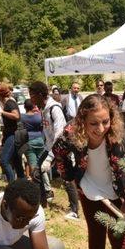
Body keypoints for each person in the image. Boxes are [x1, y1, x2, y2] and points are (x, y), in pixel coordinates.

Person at [52, 94, 125, 249]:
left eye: (105, 122)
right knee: (96, 233)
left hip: (115, 190)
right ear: (82, 121)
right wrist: (70, 175)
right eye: (94, 123)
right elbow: (58, 151)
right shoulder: (71, 132)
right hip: (89, 188)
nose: (101, 129)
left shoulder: (116, 136)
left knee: (120, 236)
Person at [30, 81, 79, 219]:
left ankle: (74, 211)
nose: (31, 99)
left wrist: (50, 158)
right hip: (49, 147)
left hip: (62, 148)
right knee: (36, 171)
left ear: (40, 94)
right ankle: (42, 203)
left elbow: (60, 135)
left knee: (67, 178)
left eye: (32, 95)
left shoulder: (54, 109)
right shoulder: (43, 108)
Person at [0, 82, 23, 182]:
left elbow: (16, 116)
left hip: (13, 135)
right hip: (9, 134)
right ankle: (22, 184)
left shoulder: (10, 103)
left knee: (4, 161)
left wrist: (2, 112)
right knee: (16, 162)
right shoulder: (8, 103)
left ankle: (12, 185)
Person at [20, 99, 44, 179]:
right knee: (41, 165)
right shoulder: (39, 116)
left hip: (29, 141)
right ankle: (46, 186)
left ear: (24, 107)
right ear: (34, 106)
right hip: (40, 140)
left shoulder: (22, 117)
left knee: (33, 165)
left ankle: (36, 183)